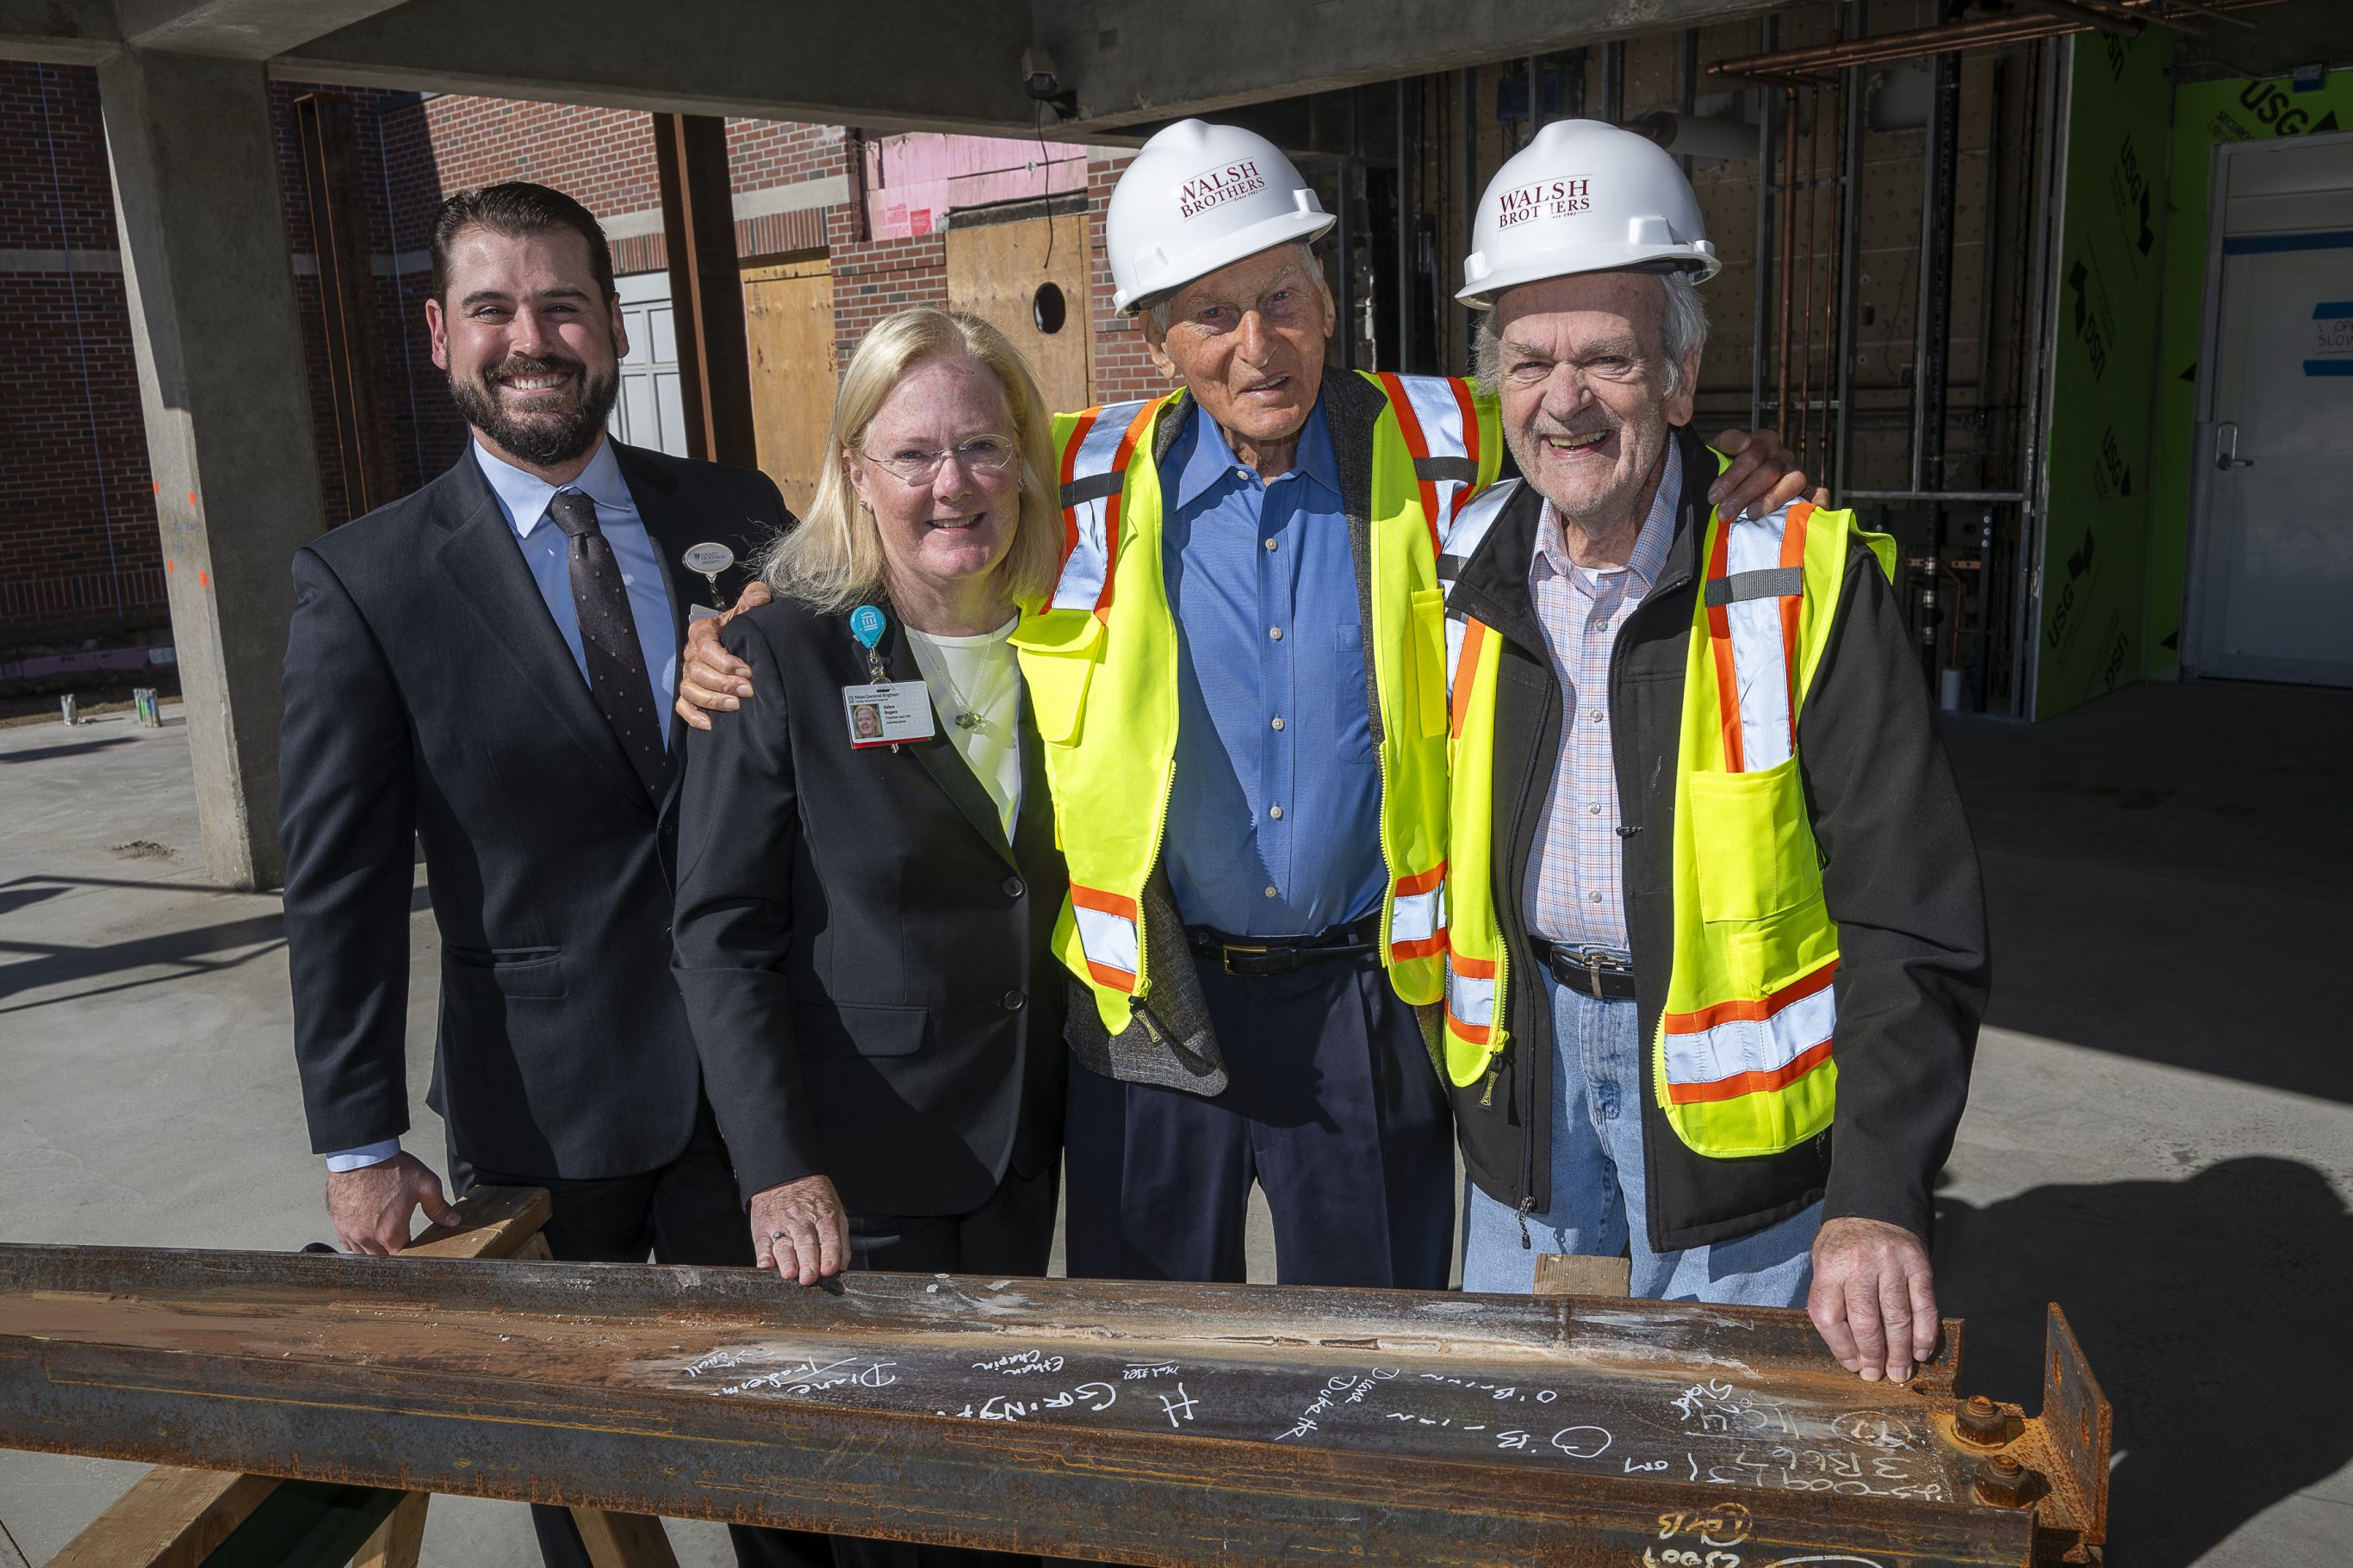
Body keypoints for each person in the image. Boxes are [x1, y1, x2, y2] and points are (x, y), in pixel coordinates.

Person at [680, 120, 1807, 1292]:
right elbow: (923, 511)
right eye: (1210, 314)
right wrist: (753, 616)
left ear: (1327, 298)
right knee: (1149, 1354)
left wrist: (1736, 463)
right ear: (1152, 337)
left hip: (1367, 1000)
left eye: (1281, 297)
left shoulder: (1448, 444)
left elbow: (1597, 439)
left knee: (1374, 1348)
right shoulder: (1070, 479)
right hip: (1154, 1008)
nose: (1257, 345)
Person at [277, 181, 801, 1568]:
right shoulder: (367, 582)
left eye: (563, 304)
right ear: (442, 333)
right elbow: (337, 889)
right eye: (497, 308)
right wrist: (357, 1144)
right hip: (537, 1106)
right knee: (575, 1467)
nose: (533, 337)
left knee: (790, 1437)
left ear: (611, 328)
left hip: (752, 1081)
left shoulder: (737, 513)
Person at [1436, 120, 1988, 1383]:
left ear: (1682, 382)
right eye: (1529, 361)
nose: (1564, 398)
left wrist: (1881, 1192)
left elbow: (1912, 917)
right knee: (1535, 1435)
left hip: (1743, 1162)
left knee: (1733, 1460)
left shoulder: (1802, 580)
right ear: (1495, 383)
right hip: (1525, 1107)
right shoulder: (1454, 565)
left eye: (1608, 359)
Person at [672, 307, 1066, 1299]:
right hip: (854, 1184)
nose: (952, 484)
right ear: (856, 472)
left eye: (981, 446)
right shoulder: (775, 656)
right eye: (913, 455)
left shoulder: (1074, 634)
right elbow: (720, 934)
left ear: (1021, 455)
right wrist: (776, 1167)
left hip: (1029, 1150)